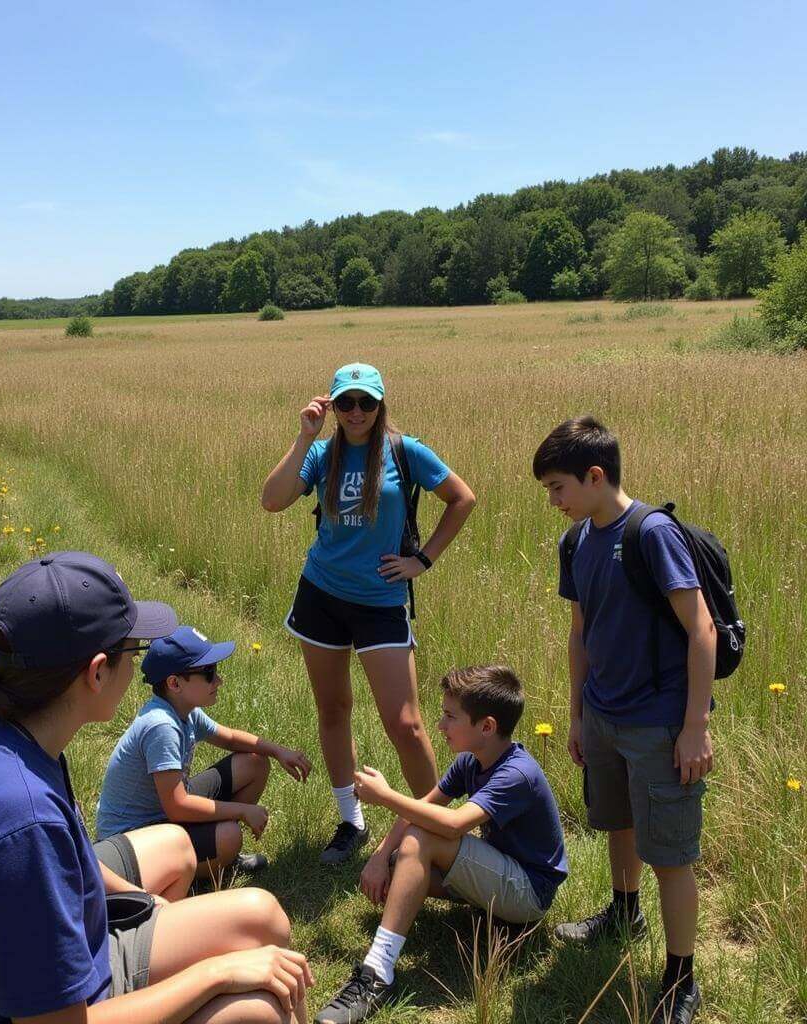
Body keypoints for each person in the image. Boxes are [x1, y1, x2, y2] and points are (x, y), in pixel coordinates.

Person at [0, 551, 313, 1024]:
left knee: (261, 915)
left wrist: (146, 905)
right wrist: (215, 973)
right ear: (97, 671)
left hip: (66, 966)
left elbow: (75, 863)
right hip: (46, 1011)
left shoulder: (16, 739)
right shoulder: (20, 819)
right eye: (133, 650)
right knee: (261, 1009)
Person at [533, 417, 715, 1024]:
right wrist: (578, 714)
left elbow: (701, 629)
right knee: (616, 820)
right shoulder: (577, 541)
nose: (554, 502)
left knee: (671, 854)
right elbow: (581, 630)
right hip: (604, 715)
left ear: (595, 476)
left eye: (558, 488)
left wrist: (694, 726)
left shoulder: (650, 533)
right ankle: (623, 910)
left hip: (659, 722)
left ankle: (680, 977)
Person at [261, 363, 475, 865]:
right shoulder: (321, 452)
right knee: (333, 710)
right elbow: (272, 500)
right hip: (322, 596)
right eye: (346, 403)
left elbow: (462, 499)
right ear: (332, 406)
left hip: (380, 602)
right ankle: (350, 819)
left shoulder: (406, 451)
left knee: (406, 724)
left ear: (381, 405)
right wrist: (303, 435)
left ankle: (434, 829)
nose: (356, 412)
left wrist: (423, 560)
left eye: (366, 402)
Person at [313, 665, 568, 1024]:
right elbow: (426, 805)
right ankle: (400, 930)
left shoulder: (517, 774)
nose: (440, 725)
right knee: (399, 860)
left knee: (422, 839)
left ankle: (377, 972)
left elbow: (452, 825)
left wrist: (385, 797)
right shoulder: (471, 761)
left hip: (528, 895)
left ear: (487, 726)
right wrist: (379, 856)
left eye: (450, 716)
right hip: (498, 875)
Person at [96, 625, 312, 880]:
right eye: (209, 673)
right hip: (131, 839)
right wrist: (241, 811)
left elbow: (230, 738)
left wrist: (278, 751)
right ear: (174, 683)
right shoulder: (161, 726)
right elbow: (178, 806)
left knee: (254, 763)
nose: (219, 680)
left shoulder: (184, 709)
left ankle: (216, 856)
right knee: (230, 835)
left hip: (163, 813)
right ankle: (201, 865)